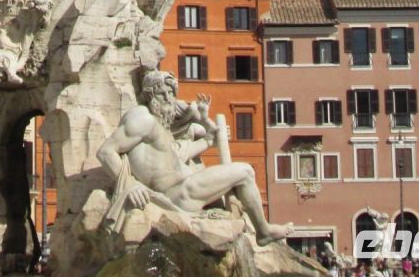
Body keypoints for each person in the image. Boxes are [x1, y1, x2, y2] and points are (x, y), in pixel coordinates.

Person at [96, 70, 291, 245]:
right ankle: (264, 231)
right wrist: (130, 185)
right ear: (149, 96)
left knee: (236, 177)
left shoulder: (159, 126)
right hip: (179, 194)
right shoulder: (142, 118)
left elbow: (177, 157)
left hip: (185, 188)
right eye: (161, 93)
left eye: (171, 93)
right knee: (246, 171)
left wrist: (207, 139)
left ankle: (258, 228)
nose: (168, 97)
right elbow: (105, 152)